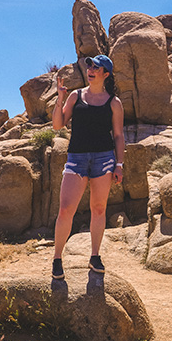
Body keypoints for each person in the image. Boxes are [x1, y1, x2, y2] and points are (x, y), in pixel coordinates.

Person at [50, 54, 125, 280]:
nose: (91, 69)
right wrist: (59, 99)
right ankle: (57, 258)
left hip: (104, 159)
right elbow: (57, 125)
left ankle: (94, 256)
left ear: (106, 74)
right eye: (90, 65)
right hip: (77, 158)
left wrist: (119, 164)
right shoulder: (76, 96)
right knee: (65, 210)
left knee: (99, 209)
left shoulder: (114, 102)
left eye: (96, 67)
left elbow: (119, 136)